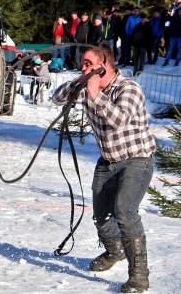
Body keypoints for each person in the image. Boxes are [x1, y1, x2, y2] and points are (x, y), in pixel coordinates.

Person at [52, 43, 155, 293]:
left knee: (124, 211)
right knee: (100, 215)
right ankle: (115, 250)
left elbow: (119, 120)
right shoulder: (88, 85)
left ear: (105, 64)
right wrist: (80, 81)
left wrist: (95, 94)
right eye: (82, 63)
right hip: (108, 161)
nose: (83, 66)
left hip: (137, 159)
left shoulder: (128, 88)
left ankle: (139, 276)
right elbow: (57, 98)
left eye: (88, 63)